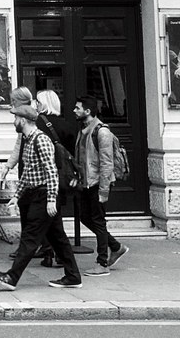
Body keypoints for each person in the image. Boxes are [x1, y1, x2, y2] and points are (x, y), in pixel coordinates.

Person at [0, 104, 82, 291]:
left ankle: (11, 277)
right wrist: (17, 195)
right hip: (36, 192)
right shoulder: (27, 140)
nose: (14, 122)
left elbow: (51, 171)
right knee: (58, 238)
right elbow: (28, 173)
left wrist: (51, 199)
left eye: (15, 119)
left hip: (44, 194)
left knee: (30, 237)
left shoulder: (41, 140)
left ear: (23, 120)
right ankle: (73, 276)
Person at [73, 96, 128, 277]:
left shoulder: (101, 132)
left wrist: (104, 190)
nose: (74, 110)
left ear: (87, 112)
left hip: (97, 183)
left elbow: (107, 163)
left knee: (98, 220)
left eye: (77, 108)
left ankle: (102, 262)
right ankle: (116, 247)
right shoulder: (84, 130)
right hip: (86, 183)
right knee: (85, 217)